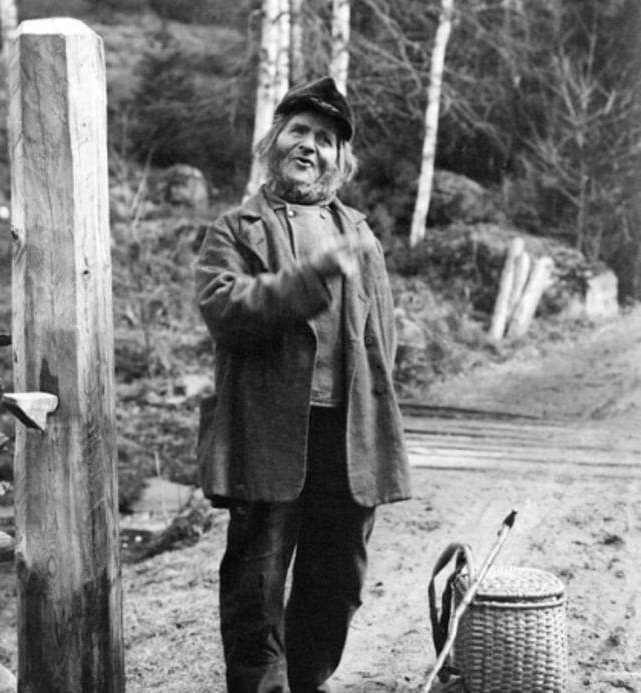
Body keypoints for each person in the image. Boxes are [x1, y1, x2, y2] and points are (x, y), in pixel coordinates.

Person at [194, 76, 412, 693]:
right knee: (255, 585)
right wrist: (304, 280)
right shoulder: (235, 230)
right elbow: (224, 308)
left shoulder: (361, 235)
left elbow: (382, 339)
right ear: (274, 142)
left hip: (345, 440)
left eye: (325, 139)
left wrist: (378, 424)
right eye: (299, 132)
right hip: (269, 437)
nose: (310, 146)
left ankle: (308, 682)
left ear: (341, 160)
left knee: (336, 582)